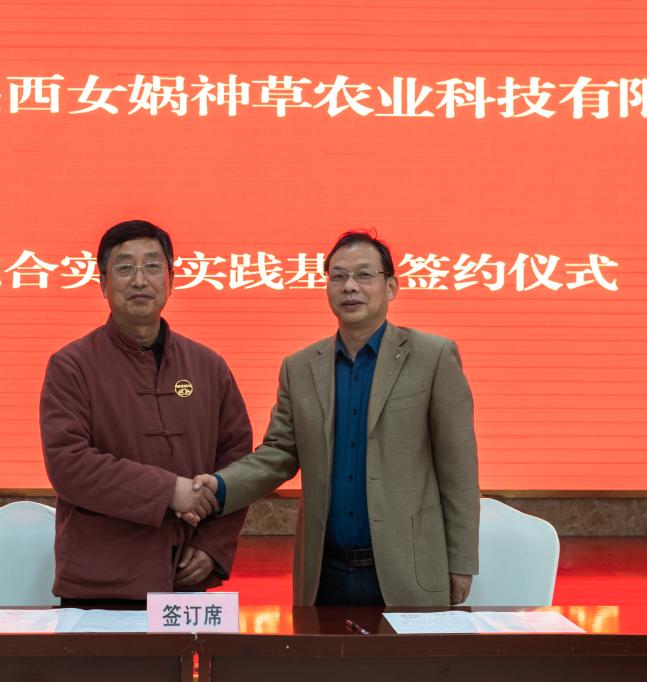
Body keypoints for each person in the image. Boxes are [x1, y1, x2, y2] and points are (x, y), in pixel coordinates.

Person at [192, 230, 479, 607]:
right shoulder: (299, 368)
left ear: (391, 287)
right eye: (338, 276)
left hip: (407, 570)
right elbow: (278, 453)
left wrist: (461, 562)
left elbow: (459, 467)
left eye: (364, 275)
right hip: (324, 575)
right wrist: (218, 487)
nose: (349, 287)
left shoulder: (433, 357)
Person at [40, 219, 252, 604]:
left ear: (171, 279)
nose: (140, 280)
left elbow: (238, 462)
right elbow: (68, 464)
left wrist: (212, 547)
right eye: (124, 268)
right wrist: (169, 491)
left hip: (186, 574)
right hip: (100, 581)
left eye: (153, 266)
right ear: (103, 283)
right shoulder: (71, 366)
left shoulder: (208, 366)